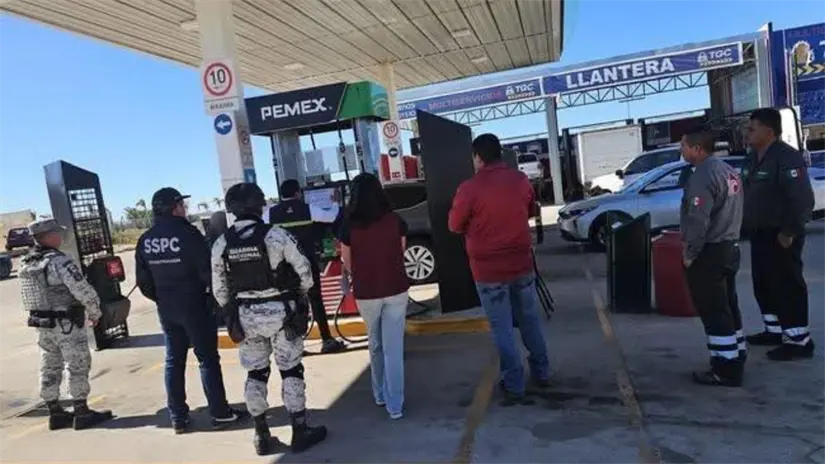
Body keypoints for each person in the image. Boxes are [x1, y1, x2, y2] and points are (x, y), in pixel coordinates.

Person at [212, 182, 327, 456]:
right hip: (282, 313)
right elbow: (305, 272)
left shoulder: (222, 243)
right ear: (259, 205)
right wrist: (298, 296)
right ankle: (300, 430)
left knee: (256, 373)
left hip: (246, 317)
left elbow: (219, 289)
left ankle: (261, 434)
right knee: (291, 370)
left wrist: (237, 310)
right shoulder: (276, 235)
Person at [449, 133, 551, 405]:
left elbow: (454, 225)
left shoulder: (469, 189)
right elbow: (530, 209)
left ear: (478, 157)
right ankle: (542, 371)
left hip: (488, 271)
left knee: (502, 328)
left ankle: (514, 383)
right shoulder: (520, 180)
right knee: (529, 319)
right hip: (521, 264)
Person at [135, 187, 245, 434]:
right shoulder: (188, 234)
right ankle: (220, 413)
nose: (184, 209)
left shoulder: (146, 240)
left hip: (167, 308)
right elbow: (208, 271)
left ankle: (178, 417)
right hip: (195, 305)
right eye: (181, 205)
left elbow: (143, 282)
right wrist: (215, 300)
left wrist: (162, 298)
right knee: (207, 358)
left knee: (174, 360)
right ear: (174, 208)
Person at [18, 218, 112, 430]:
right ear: (49, 236)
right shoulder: (59, 261)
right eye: (57, 233)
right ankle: (81, 411)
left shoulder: (27, 262)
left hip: (42, 323)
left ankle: (55, 411)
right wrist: (95, 312)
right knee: (77, 364)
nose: (61, 237)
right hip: (66, 323)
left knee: (49, 365)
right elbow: (82, 289)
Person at [742, 108, 816, 360]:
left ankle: (798, 340)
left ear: (769, 131)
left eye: (752, 128)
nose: (747, 133)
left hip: (781, 234)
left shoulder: (786, 157)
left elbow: (803, 200)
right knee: (764, 285)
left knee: (787, 286)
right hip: (759, 233)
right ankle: (774, 330)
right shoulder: (753, 158)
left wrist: (789, 232)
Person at [337, 173, 409, 420]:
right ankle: (395, 405)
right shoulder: (396, 221)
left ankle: (379, 393)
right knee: (393, 349)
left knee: (375, 343)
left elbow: (348, 263)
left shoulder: (348, 226)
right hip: (396, 288)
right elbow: (400, 252)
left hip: (367, 292)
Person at [679, 128, 746, 386]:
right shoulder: (727, 170)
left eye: (684, 145)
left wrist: (690, 253)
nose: (681, 150)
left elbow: (698, 219)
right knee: (728, 306)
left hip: (711, 251)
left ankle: (725, 368)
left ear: (697, 149)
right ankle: (736, 354)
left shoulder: (703, 175)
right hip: (730, 246)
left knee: (714, 310)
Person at [268, 179, 345, 354]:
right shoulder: (308, 209)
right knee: (316, 300)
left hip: (284, 268)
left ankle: (296, 345)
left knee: (290, 303)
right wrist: (335, 201)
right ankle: (327, 340)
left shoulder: (270, 214)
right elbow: (332, 216)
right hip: (306, 263)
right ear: (297, 193)